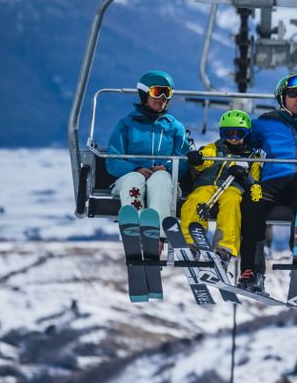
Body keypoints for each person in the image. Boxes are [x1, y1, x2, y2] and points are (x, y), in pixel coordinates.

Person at [238, 73, 297, 294]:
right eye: (293, 94)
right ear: (282, 98)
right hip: (273, 182)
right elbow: (236, 139)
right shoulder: (265, 123)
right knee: (252, 196)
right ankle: (252, 271)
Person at [179, 109, 263, 272]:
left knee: (232, 204)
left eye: (238, 134)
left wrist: (245, 177)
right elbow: (204, 158)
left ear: (246, 135)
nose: (233, 138)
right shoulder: (215, 148)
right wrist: (197, 159)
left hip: (233, 189)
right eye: (228, 134)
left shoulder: (252, 158)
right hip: (207, 185)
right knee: (195, 200)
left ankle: (224, 249)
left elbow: (255, 186)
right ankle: (191, 244)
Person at [107, 70, 190, 220]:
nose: (162, 98)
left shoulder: (176, 127)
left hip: (164, 181)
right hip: (129, 178)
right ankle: (134, 227)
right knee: (134, 179)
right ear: (144, 94)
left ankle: (157, 233)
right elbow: (112, 161)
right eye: (157, 92)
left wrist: (167, 168)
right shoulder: (127, 125)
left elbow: (183, 161)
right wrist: (135, 169)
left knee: (161, 179)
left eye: (167, 93)